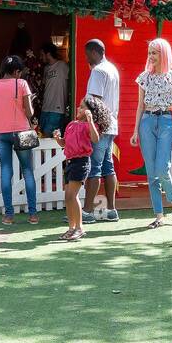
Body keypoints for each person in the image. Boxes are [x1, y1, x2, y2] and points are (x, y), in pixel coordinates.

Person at [132, 37, 172, 228]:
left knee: (163, 168)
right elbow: (139, 105)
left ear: (163, 54)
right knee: (151, 172)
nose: (151, 56)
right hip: (146, 121)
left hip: (165, 122)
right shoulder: (144, 77)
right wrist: (135, 131)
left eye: (154, 52)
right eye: (149, 53)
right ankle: (159, 215)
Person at [0, 55, 40, 226]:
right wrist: (28, 101)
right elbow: (30, 113)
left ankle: (8, 214)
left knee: (6, 170)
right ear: (16, 71)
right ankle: (33, 215)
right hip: (22, 131)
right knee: (28, 171)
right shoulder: (21, 84)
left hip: (0, 132)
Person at [52, 96, 109, 242]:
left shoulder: (90, 125)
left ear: (90, 111)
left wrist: (90, 121)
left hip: (81, 162)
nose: (79, 108)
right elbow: (65, 143)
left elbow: (95, 139)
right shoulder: (71, 124)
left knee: (73, 195)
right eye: (79, 106)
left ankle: (79, 228)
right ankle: (72, 228)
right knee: (68, 197)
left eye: (82, 107)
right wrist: (58, 139)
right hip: (70, 162)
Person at [81, 38, 120, 223]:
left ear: (94, 52)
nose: (86, 58)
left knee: (94, 168)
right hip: (112, 123)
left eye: (87, 54)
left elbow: (94, 101)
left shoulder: (98, 71)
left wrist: (86, 120)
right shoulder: (112, 69)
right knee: (108, 166)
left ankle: (88, 212)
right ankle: (111, 210)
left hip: (99, 125)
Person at [38, 42, 69, 137]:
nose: (41, 57)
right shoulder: (46, 68)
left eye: (42, 55)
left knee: (48, 136)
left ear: (48, 54)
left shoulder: (63, 66)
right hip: (45, 107)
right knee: (41, 134)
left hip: (57, 108)